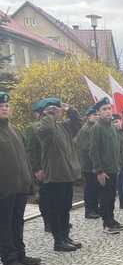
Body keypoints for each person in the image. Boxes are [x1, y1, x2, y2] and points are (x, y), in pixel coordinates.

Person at [34, 97, 84, 252]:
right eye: (55, 109)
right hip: (54, 175)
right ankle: (58, 240)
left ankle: (65, 236)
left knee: (65, 207)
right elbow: (45, 130)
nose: (59, 112)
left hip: (66, 174)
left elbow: (77, 124)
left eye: (58, 109)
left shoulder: (63, 127)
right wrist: (48, 115)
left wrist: (71, 110)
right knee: (56, 209)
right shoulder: (41, 127)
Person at [0, 92, 40, 265]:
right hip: (4, 188)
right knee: (4, 224)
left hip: (19, 186)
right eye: (1, 106)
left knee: (17, 221)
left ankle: (20, 253)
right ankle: (9, 260)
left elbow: (23, 158)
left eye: (6, 106)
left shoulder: (14, 129)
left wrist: (29, 181)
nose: (4, 108)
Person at [91, 98, 123, 235]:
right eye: (104, 109)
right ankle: (106, 223)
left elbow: (116, 147)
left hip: (113, 168)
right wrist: (99, 171)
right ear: (99, 112)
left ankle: (111, 220)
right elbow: (94, 151)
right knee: (105, 198)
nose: (107, 111)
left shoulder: (112, 127)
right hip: (104, 170)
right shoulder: (97, 128)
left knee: (111, 197)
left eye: (109, 108)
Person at [75, 105, 100, 219]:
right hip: (88, 164)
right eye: (94, 115)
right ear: (88, 117)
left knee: (95, 187)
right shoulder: (85, 129)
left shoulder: (94, 128)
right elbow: (87, 147)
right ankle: (89, 210)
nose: (96, 117)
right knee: (90, 188)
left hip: (93, 163)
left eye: (97, 115)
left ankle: (95, 208)